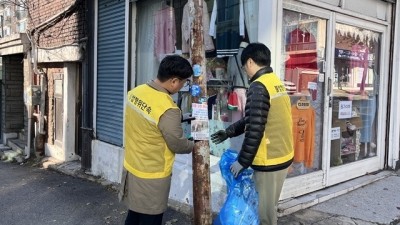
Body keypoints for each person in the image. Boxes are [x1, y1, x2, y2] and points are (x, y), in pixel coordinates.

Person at [211, 43, 294, 225]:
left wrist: (242, 161)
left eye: (243, 67)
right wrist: (229, 132)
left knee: (265, 214)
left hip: (270, 159)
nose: (245, 72)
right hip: (282, 154)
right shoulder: (274, 82)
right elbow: (255, 118)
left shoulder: (258, 86)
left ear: (249, 62)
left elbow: (255, 129)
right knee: (269, 207)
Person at [119, 55, 195, 225]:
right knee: (150, 219)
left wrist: (179, 118)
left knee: (133, 217)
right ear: (174, 81)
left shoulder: (135, 92)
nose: (183, 86)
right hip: (152, 175)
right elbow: (177, 143)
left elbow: (149, 121)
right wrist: (194, 145)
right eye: (183, 82)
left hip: (132, 166)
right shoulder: (168, 108)